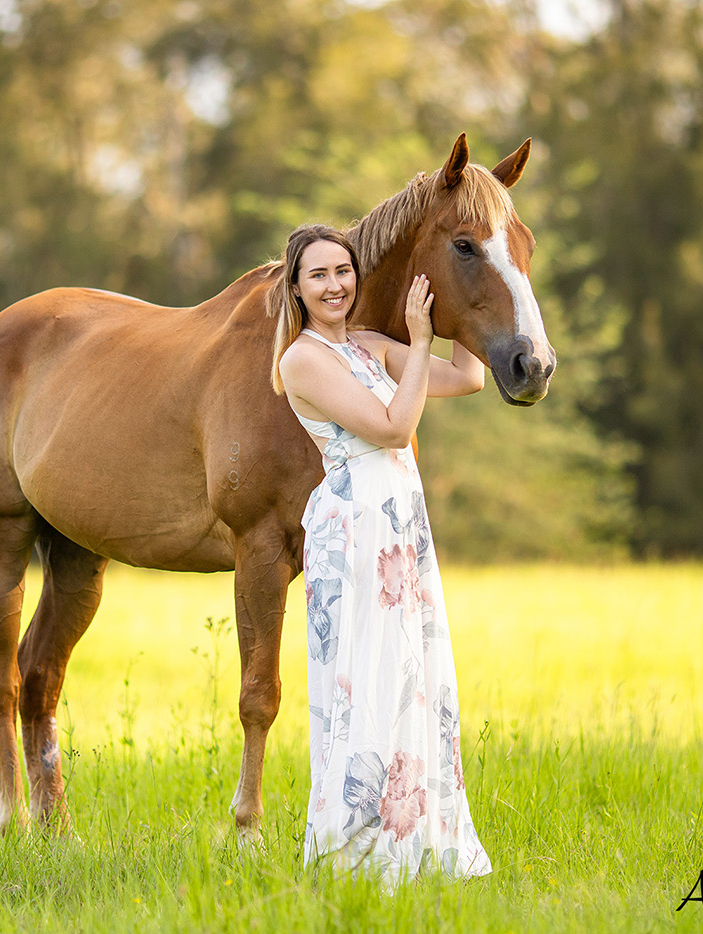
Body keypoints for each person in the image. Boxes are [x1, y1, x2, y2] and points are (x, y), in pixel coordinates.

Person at [270, 223, 493, 887]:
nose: (335, 284)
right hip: (358, 528)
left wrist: (462, 301)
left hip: (399, 527)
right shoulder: (301, 361)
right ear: (298, 287)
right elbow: (396, 425)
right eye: (319, 275)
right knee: (362, 679)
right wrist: (419, 340)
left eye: (342, 270)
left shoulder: (368, 346)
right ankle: (358, 851)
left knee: (408, 676)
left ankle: (418, 837)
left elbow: (467, 378)